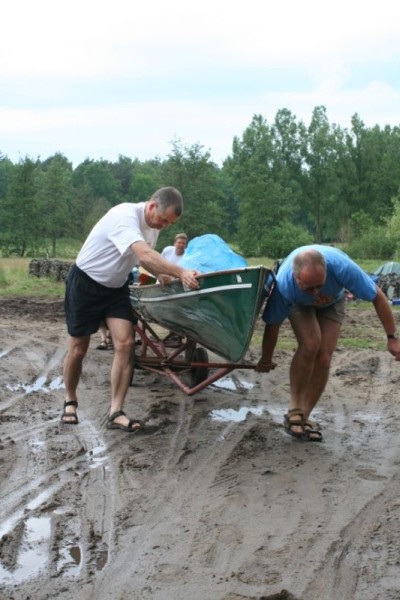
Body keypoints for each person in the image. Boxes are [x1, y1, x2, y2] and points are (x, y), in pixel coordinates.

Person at [61, 187, 200, 431]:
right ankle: (70, 401)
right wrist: (181, 272)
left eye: (170, 223)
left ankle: (116, 412)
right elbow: (144, 254)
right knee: (79, 348)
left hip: (116, 288)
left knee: (125, 344)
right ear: (152, 206)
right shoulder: (124, 215)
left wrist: (161, 274)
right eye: (164, 219)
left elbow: (140, 260)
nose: (165, 226)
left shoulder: (153, 227)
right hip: (85, 283)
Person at [256, 245, 400, 442]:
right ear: (296, 278)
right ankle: (294, 409)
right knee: (310, 344)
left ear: (326, 272)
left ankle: (304, 416)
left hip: (334, 302)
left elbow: (377, 296)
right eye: (309, 288)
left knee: (324, 356)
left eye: (320, 285)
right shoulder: (284, 286)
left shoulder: (343, 268)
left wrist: (392, 338)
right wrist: (266, 358)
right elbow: (272, 326)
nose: (315, 293)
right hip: (299, 305)